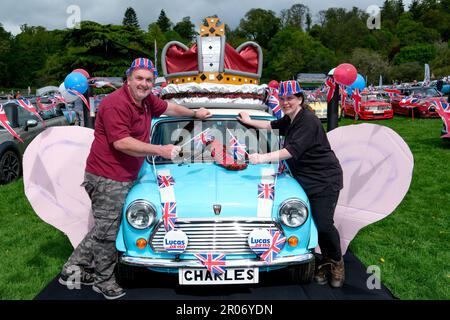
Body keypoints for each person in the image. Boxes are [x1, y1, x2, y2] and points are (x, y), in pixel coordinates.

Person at [58, 57, 212, 300]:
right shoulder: (114, 104)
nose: (144, 83)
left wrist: (195, 114)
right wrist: (161, 150)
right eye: (139, 78)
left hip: (126, 174)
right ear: (127, 79)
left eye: (149, 80)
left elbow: (169, 108)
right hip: (107, 176)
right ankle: (103, 281)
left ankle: (71, 269)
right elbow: (122, 143)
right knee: (108, 232)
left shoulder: (147, 100)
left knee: (105, 225)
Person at [237, 80, 345, 288]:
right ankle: (324, 261)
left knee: (323, 223)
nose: (285, 102)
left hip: (324, 179)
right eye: (282, 98)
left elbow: (291, 151)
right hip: (303, 178)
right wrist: (250, 121)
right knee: (311, 221)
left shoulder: (308, 121)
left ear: (300, 99)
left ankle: (336, 263)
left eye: (290, 98)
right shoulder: (291, 118)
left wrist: (262, 157)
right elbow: (271, 126)